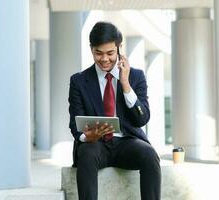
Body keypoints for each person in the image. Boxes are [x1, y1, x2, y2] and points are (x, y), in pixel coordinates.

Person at [68, 21, 161, 200]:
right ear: (91, 49)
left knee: (150, 155)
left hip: (127, 142)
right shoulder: (79, 81)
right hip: (96, 145)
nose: (104, 59)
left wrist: (125, 84)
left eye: (110, 53)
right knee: (86, 154)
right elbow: (74, 124)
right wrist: (87, 137)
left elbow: (142, 119)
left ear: (119, 48)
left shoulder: (136, 76)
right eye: (98, 53)